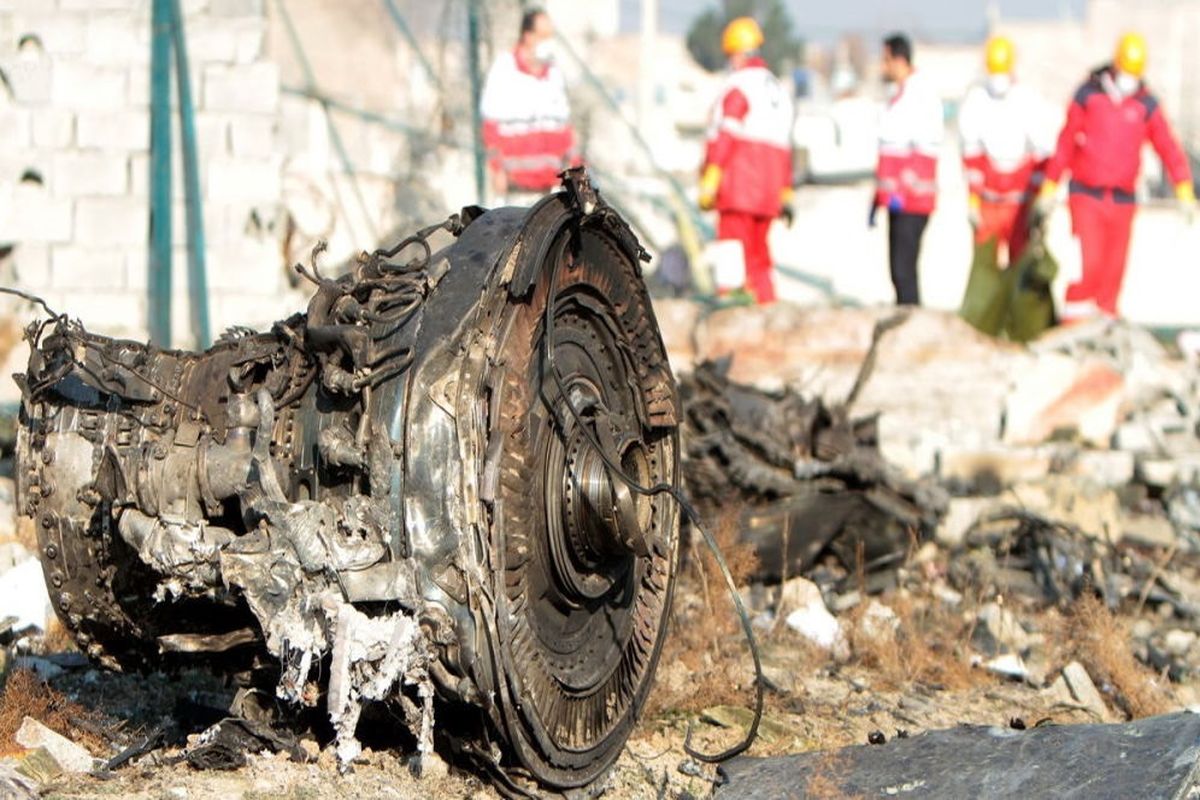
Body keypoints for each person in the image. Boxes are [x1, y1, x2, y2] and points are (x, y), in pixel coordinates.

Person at [1037, 32, 1196, 321]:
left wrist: (1184, 189)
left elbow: (1168, 147)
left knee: (1113, 272)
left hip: (1123, 200)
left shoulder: (1145, 105)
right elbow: (1066, 142)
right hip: (1087, 196)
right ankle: (1074, 325)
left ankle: (1106, 326)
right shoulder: (1089, 95)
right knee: (1089, 266)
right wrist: (1049, 186)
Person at [957, 36, 1054, 334]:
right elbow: (971, 155)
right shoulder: (976, 102)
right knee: (984, 268)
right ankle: (981, 326)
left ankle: (1024, 327)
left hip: (1019, 202)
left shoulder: (1027, 102)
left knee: (1022, 265)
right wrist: (973, 200)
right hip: (989, 202)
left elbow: (1041, 154)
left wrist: (1041, 196)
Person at [699, 16, 794, 304]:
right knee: (759, 261)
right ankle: (769, 314)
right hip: (768, 193)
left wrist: (711, 178)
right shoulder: (777, 89)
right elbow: (786, 147)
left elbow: (726, 136)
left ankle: (729, 318)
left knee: (730, 255)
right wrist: (786, 192)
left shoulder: (739, 85)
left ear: (738, 53)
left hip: (738, 188)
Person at [480, 8, 579, 204]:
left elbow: (564, 130)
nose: (548, 42)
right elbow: (490, 127)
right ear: (527, 36)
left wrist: (575, 168)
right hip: (514, 190)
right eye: (543, 36)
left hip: (550, 189)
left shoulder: (553, 74)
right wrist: (496, 169)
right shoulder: (505, 70)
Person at [872, 33, 943, 305]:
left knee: (904, 272)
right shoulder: (901, 96)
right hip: (897, 201)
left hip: (911, 201)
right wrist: (878, 196)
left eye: (885, 60)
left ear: (899, 60)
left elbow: (923, 151)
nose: (882, 67)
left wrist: (902, 189)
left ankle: (912, 329)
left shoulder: (919, 95)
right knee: (898, 272)